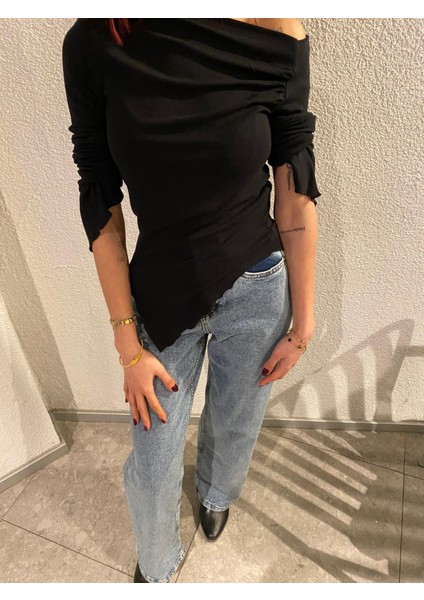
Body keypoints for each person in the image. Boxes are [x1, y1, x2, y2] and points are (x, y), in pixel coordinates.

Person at [62, 17, 321, 583]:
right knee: (153, 461)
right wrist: (127, 344)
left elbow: (295, 186)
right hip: (160, 297)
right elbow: (99, 195)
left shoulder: (273, 28)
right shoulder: (94, 42)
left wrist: (302, 326)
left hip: (258, 286)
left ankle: (216, 491)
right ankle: (157, 567)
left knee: (236, 420)